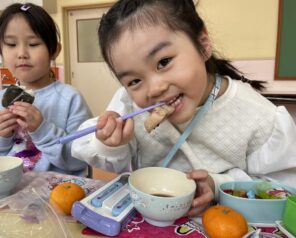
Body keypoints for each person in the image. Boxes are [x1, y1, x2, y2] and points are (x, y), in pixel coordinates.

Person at [72, 0, 296, 215]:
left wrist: (217, 185)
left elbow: (279, 189)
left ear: (203, 44)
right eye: (134, 81)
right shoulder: (128, 104)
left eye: (163, 62)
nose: (155, 89)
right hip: (147, 220)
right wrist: (112, 144)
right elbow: (113, 161)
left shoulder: (257, 115)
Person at [0, 3, 92, 176]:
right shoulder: (2, 99)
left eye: (33, 44)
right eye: (11, 44)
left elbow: (81, 158)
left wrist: (42, 130)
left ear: (54, 50)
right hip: (13, 192)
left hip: (58, 192)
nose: (21, 53)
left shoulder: (70, 98)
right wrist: (3, 138)